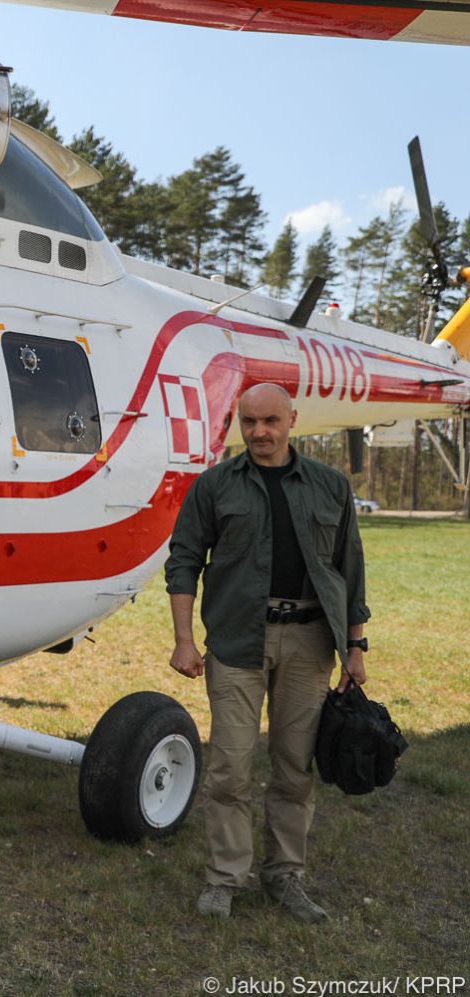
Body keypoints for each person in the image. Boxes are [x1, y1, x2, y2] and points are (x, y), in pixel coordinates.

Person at [165, 382, 369, 924]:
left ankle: (285, 875)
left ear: (292, 420)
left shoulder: (329, 486)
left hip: (309, 642)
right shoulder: (214, 486)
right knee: (230, 766)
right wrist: (185, 639)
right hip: (236, 640)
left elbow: (350, 571)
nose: (259, 432)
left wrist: (355, 647)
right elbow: (183, 560)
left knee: (294, 766)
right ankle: (225, 878)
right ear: (239, 422)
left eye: (271, 421)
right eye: (249, 421)